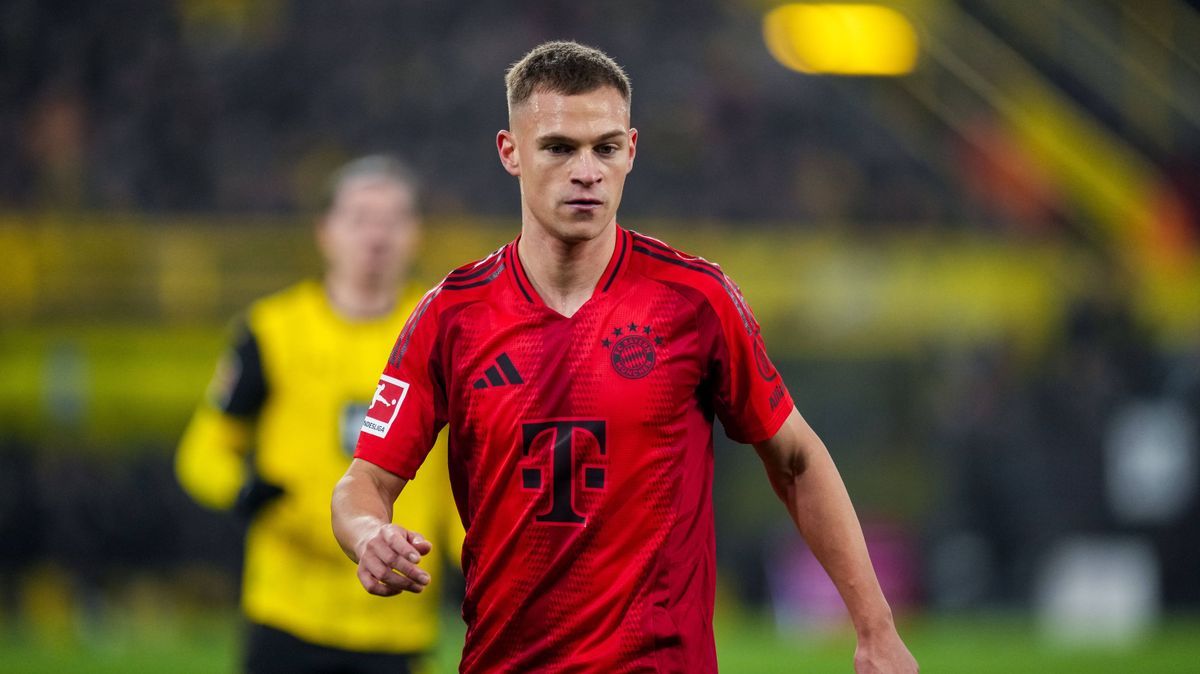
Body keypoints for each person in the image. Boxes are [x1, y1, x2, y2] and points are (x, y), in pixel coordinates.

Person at [332, 42, 917, 673]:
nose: (586, 170)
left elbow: (797, 458)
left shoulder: (694, 301)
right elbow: (364, 480)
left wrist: (875, 629)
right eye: (558, 147)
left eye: (605, 148)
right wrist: (368, 534)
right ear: (510, 152)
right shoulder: (452, 317)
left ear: (631, 152)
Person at [177, 155, 461, 674]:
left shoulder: (445, 339)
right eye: (359, 219)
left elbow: (466, 478)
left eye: (393, 220)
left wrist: (494, 561)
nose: (376, 236)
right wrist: (241, 488)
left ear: (415, 233)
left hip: (395, 618)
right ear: (326, 231)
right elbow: (203, 449)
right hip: (289, 612)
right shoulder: (272, 332)